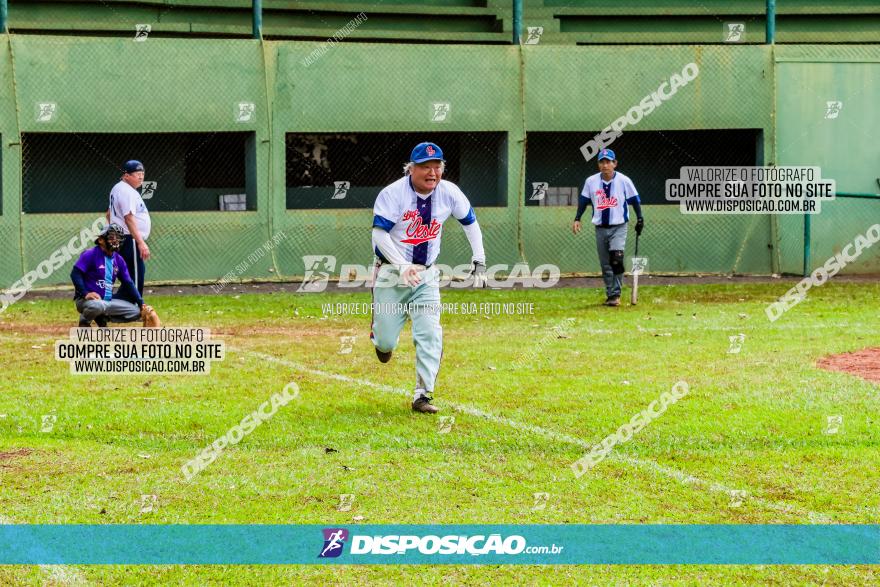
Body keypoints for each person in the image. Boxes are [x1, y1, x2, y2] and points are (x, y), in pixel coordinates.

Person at [371, 142, 487, 414]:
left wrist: (479, 260)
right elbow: (379, 234)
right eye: (425, 166)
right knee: (386, 341)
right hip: (391, 272)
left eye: (437, 166)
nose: (432, 172)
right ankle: (381, 339)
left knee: (429, 332)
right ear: (411, 169)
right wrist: (401, 266)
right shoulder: (393, 194)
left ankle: (422, 395)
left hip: (426, 274)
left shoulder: (449, 193)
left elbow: (470, 223)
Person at [572, 148, 644, 306]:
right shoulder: (591, 182)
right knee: (606, 264)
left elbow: (635, 200)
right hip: (600, 228)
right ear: (598, 164)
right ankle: (611, 294)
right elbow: (584, 201)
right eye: (602, 162)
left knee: (616, 259)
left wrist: (640, 218)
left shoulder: (624, 181)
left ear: (615, 163)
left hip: (619, 226)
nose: (605, 165)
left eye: (608, 162)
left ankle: (616, 294)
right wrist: (577, 218)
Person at [70, 223, 150, 327]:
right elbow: (75, 274)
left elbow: (128, 283)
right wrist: (86, 294)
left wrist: (141, 303)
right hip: (86, 301)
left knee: (136, 312)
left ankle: (102, 317)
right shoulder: (90, 254)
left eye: (118, 237)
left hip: (107, 301)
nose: (116, 240)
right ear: (101, 240)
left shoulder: (118, 259)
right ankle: (84, 320)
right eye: (112, 237)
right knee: (97, 306)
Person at [107, 160, 151, 303]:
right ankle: (135, 306)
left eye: (143, 174)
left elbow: (108, 214)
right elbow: (129, 218)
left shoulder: (120, 188)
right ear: (126, 175)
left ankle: (119, 304)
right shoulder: (126, 190)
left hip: (124, 237)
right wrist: (140, 242)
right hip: (129, 239)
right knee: (135, 275)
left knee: (129, 274)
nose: (141, 177)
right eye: (137, 174)